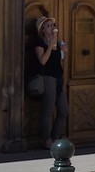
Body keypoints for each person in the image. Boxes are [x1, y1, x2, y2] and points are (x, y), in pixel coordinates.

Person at [25, 16, 69, 150]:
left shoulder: (57, 43)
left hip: (58, 78)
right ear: (42, 30)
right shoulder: (40, 43)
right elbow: (43, 61)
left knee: (63, 110)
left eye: (52, 25)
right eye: (48, 25)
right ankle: (47, 140)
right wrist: (50, 45)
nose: (52, 28)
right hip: (47, 78)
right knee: (48, 110)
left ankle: (55, 138)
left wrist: (63, 51)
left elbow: (59, 61)